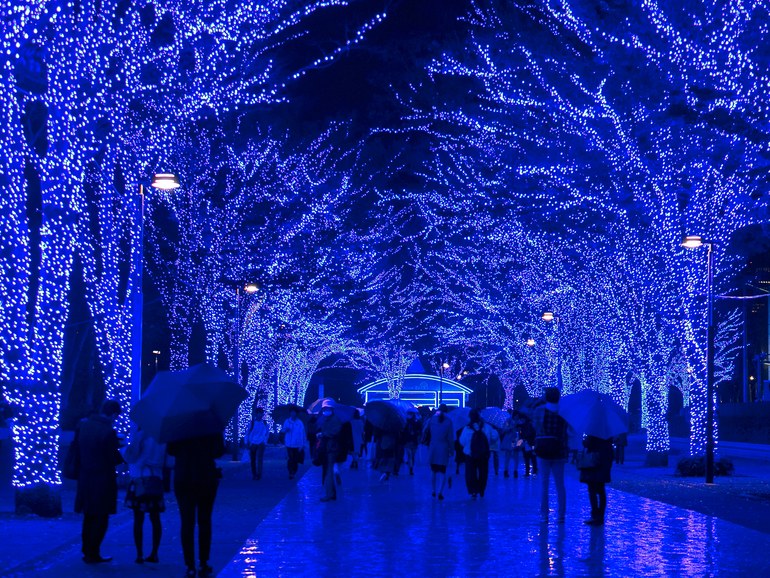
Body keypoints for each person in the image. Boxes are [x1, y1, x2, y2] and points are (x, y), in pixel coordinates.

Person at [167, 433, 225, 578]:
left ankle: (190, 565)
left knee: (187, 522)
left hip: (183, 476)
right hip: (206, 476)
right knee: (205, 520)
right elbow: (218, 451)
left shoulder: (178, 424)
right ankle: (203, 563)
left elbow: (171, 450)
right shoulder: (211, 424)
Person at [75, 399, 124, 564]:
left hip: (85, 477)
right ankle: (94, 552)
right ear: (114, 414)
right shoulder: (107, 431)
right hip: (103, 479)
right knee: (101, 517)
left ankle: (86, 549)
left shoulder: (84, 425)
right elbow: (112, 457)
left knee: (88, 516)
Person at [123, 427, 166, 564]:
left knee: (138, 519)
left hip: (140, 480)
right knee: (155, 518)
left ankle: (139, 554)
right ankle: (155, 553)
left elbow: (132, 457)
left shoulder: (141, 435)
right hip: (156, 479)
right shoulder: (162, 437)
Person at [533, 387, 569, 522]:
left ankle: (544, 515)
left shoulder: (539, 411)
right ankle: (561, 515)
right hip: (559, 450)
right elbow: (566, 432)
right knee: (560, 484)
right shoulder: (564, 412)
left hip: (543, 450)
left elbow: (536, 428)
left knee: (544, 484)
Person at [459, 409, 495, 498]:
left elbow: (462, 441)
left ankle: (473, 491)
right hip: (483, 454)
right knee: (483, 472)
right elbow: (494, 437)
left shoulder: (467, 428)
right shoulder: (486, 426)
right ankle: (481, 489)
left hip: (470, 454)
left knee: (470, 473)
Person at [580, 435, 614, 526]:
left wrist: (585, 440)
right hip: (604, 463)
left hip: (594, 463)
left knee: (592, 489)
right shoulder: (608, 432)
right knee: (601, 490)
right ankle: (601, 516)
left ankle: (595, 515)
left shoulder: (593, 431)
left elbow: (587, 444)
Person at [427, 404, 455, 500]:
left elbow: (428, 433)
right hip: (443, 449)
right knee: (442, 472)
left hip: (433, 448)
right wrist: (452, 450)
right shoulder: (449, 422)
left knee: (433, 471)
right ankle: (440, 492)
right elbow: (450, 438)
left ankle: (433, 490)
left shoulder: (432, 420)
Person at [318, 400, 344, 502]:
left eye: (328, 409)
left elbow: (335, 432)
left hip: (332, 448)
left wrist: (324, 434)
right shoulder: (325, 419)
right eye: (325, 409)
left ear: (332, 409)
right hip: (326, 447)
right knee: (328, 470)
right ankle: (331, 492)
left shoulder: (335, 420)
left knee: (329, 471)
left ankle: (330, 493)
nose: (326, 410)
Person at [282, 409, 306, 479]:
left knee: (295, 459)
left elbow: (303, 434)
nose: (293, 414)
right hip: (289, 444)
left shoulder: (300, 423)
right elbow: (283, 430)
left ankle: (294, 471)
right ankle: (290, 472)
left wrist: (303, 444)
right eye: (291, 412)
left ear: (296, 413)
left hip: (297, 444)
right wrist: (286, 430)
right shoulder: (287, 421)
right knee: (290, 458)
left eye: (294, 412)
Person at [246, 408, 268, 480]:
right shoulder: (252, 423)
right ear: (256, 414)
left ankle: (259, 474)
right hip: (253, 443)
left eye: (261, 413)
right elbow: (247, 433)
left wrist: (264, 441)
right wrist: (247, 442)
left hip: (261, 443)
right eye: (258, 413)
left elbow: (267, 433)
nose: (260, 415)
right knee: (253, 459)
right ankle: (254, 474)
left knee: (259, 459)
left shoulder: (264, 423)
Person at [402, 409, 422, 475]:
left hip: (409, 441)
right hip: (412, 441)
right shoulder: (416, 422)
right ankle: (411, 468)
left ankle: (411, 467)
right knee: (411, 455)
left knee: (411, 455)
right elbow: (419, 431)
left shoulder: (406, 422)